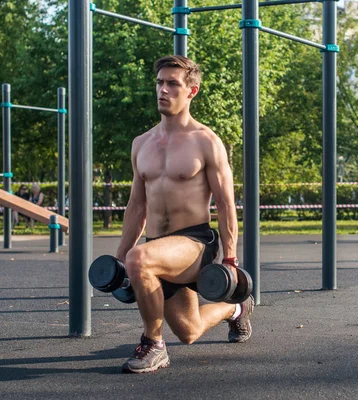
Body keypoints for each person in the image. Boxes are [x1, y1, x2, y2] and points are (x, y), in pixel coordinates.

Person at [115, 55, 254, 374]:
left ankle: (154, 344)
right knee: (189, 331)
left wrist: (230, 260)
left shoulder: (206, 142)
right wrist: (121, 257)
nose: (163, 90)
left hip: (194, 242)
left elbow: (225, 203)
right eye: (159, 82)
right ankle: (235, 309)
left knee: (140, 259)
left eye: (172, 84)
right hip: (157, 246)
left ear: (192, 91)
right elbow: (137, 206)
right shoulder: (142, 144)